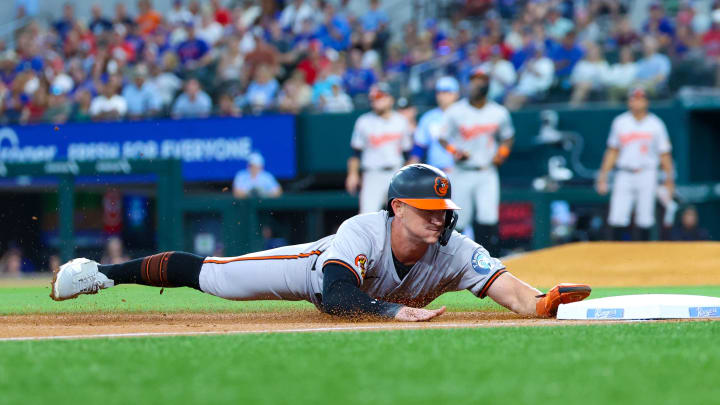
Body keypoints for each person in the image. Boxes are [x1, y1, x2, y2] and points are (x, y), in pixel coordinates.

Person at [49, 164, 591, 322]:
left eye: (443, 213)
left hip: (367, 293)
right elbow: (336, 297)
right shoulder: (362, 230)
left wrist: (542, 303)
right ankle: (100, 273)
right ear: (399, 208)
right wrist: (390, 313)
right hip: (311, 271)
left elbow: (514, 293)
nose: (438, 221)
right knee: (215, 275)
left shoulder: (454, 248)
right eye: (428, 211)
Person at [438, 67, 515, 256]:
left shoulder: (498, 112)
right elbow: (442, 137)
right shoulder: (456, 111)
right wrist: (454, 151)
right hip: (462, 171)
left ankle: (487, 261)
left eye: (481, 80)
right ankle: (454, 261)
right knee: (459, 220)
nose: (476, 84)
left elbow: (508, 136)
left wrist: (502, 153)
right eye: (473, 80)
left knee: (488, 218)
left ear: (487, 85)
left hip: (486, 171)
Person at [595, 87, 675, 241]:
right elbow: (612, 151)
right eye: (633, 98)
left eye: (640, 98)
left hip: (647, 172)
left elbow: (664, 154)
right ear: (629, 101)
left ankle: (642, 256)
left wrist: (669, 180)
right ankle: (616, 254)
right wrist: (603, 176)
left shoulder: (656, 124)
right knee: (617, 215)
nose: (636, 102)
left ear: (646, 102)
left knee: (645, 217)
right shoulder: (620, 122)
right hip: (624, 172)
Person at [345, 82, 413, 214]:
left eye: (380, 96)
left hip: (396, 173)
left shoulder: (401, 121)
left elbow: (408, 153)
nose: (376, 101)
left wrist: (408, 178)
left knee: (403, 216)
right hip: (373, 174)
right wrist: (352, 174)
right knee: (367, 215)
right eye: (374, 98)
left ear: (390, 99)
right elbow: (355, 153)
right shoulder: (364, 121)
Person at [410, 76, 458, 172]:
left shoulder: (464, 114)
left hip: (461, 170)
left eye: (446, 92)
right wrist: (411, 167)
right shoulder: (429, 117)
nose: (442, 96)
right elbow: (420, 146)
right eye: (439, 92)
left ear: (456, 94)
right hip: (436, 172)